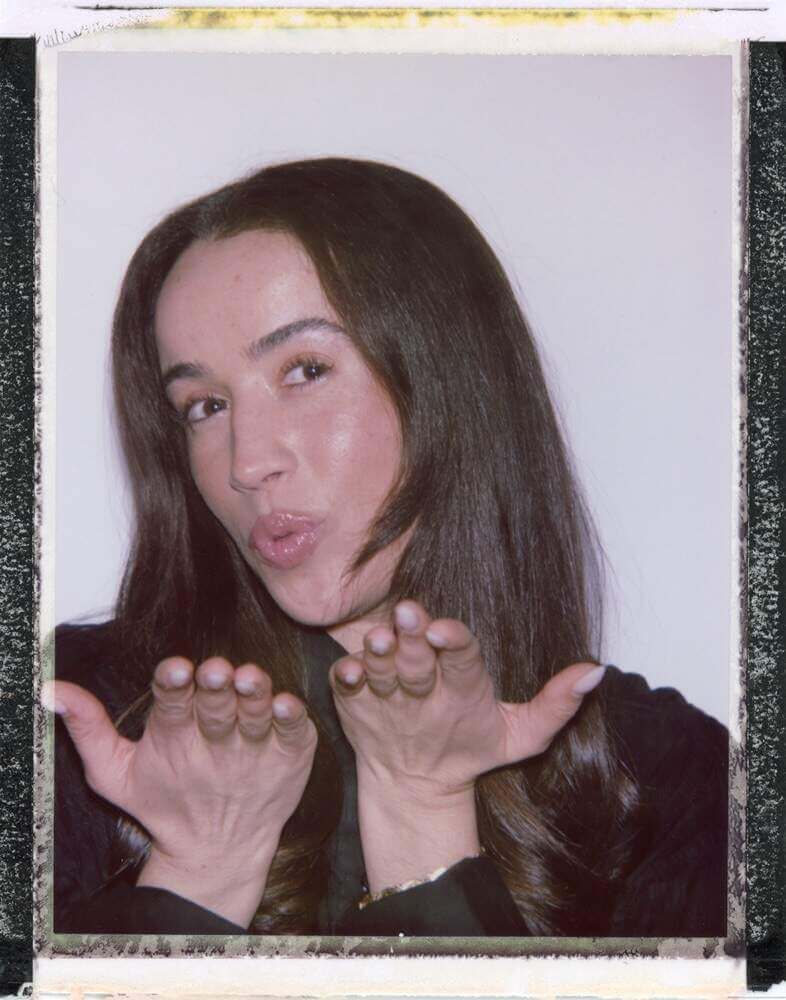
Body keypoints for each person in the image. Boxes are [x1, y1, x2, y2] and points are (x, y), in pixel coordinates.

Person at [48, 158, 729, 938]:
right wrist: (194, 875)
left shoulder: (669, 777)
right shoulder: (80, 721)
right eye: (204, 405)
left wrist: (422, 818)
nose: (246, 461)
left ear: (445, 381)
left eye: (304, 370)